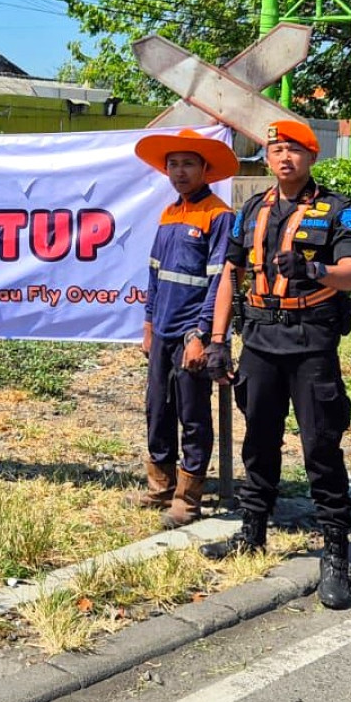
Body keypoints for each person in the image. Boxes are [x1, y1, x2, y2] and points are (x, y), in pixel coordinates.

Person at [202, 119, 351, 610]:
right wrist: (217, 339)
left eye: (295, 150)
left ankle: (335, 551)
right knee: (259, 440)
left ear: (312, 157)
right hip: (260, 340)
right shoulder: (251, 209)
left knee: (320, 445)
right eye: (276, 150)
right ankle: (252, 532)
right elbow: (231, 273)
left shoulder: (337, 211)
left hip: (311, 341)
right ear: (269, 158)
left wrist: (316, 269)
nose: (285, 157)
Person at [131, 129, 237, 528]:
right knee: (158, 409)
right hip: (161, 332)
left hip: (192, 335)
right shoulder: (170, 213)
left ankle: (187, 500)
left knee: (193, 416)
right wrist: (148, 323)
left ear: (205, 169)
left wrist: (202, 335)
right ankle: (159, 486)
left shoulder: (219, 215)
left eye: (188, 164)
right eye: (173, 164)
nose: (179, 171)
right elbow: (155, 275)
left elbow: (219, 283)